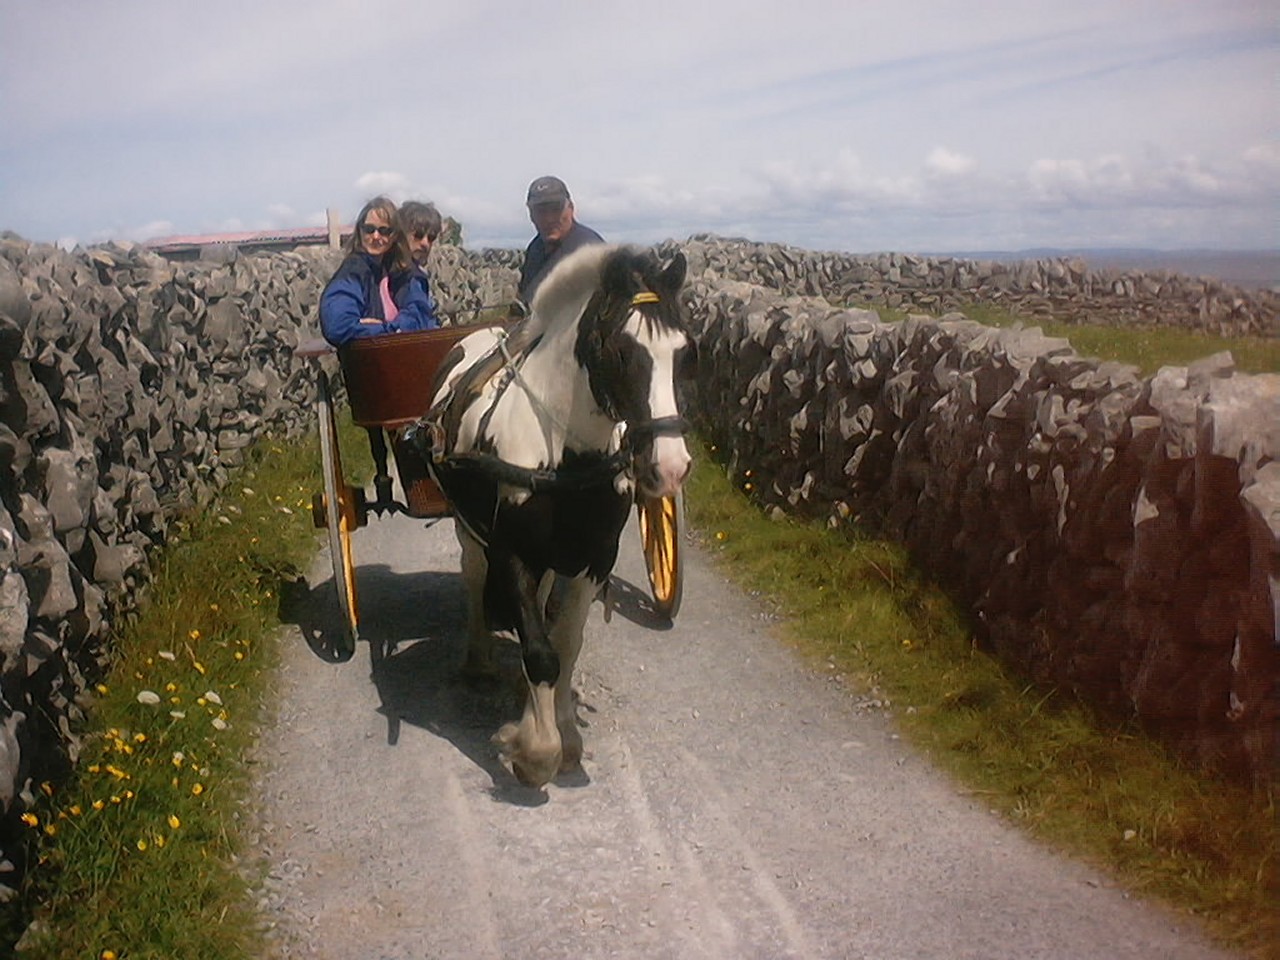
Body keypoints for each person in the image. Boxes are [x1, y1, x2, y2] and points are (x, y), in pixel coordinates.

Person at [319, 196, 439, 347]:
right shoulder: (353, 271)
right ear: (360, 231)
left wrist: (387, 329)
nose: (376, 236)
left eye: (384, 231)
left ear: (394, 236)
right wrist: (388, 331)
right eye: (369, 229)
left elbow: (418, 314)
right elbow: (337, 325)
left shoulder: (398, 272)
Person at [517, 176, 604, 303]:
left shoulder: (590, 250)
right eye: (541, 211)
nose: (549, 218)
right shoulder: (535, 248)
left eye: (556, 209)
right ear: (531, 214)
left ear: (571, 209)